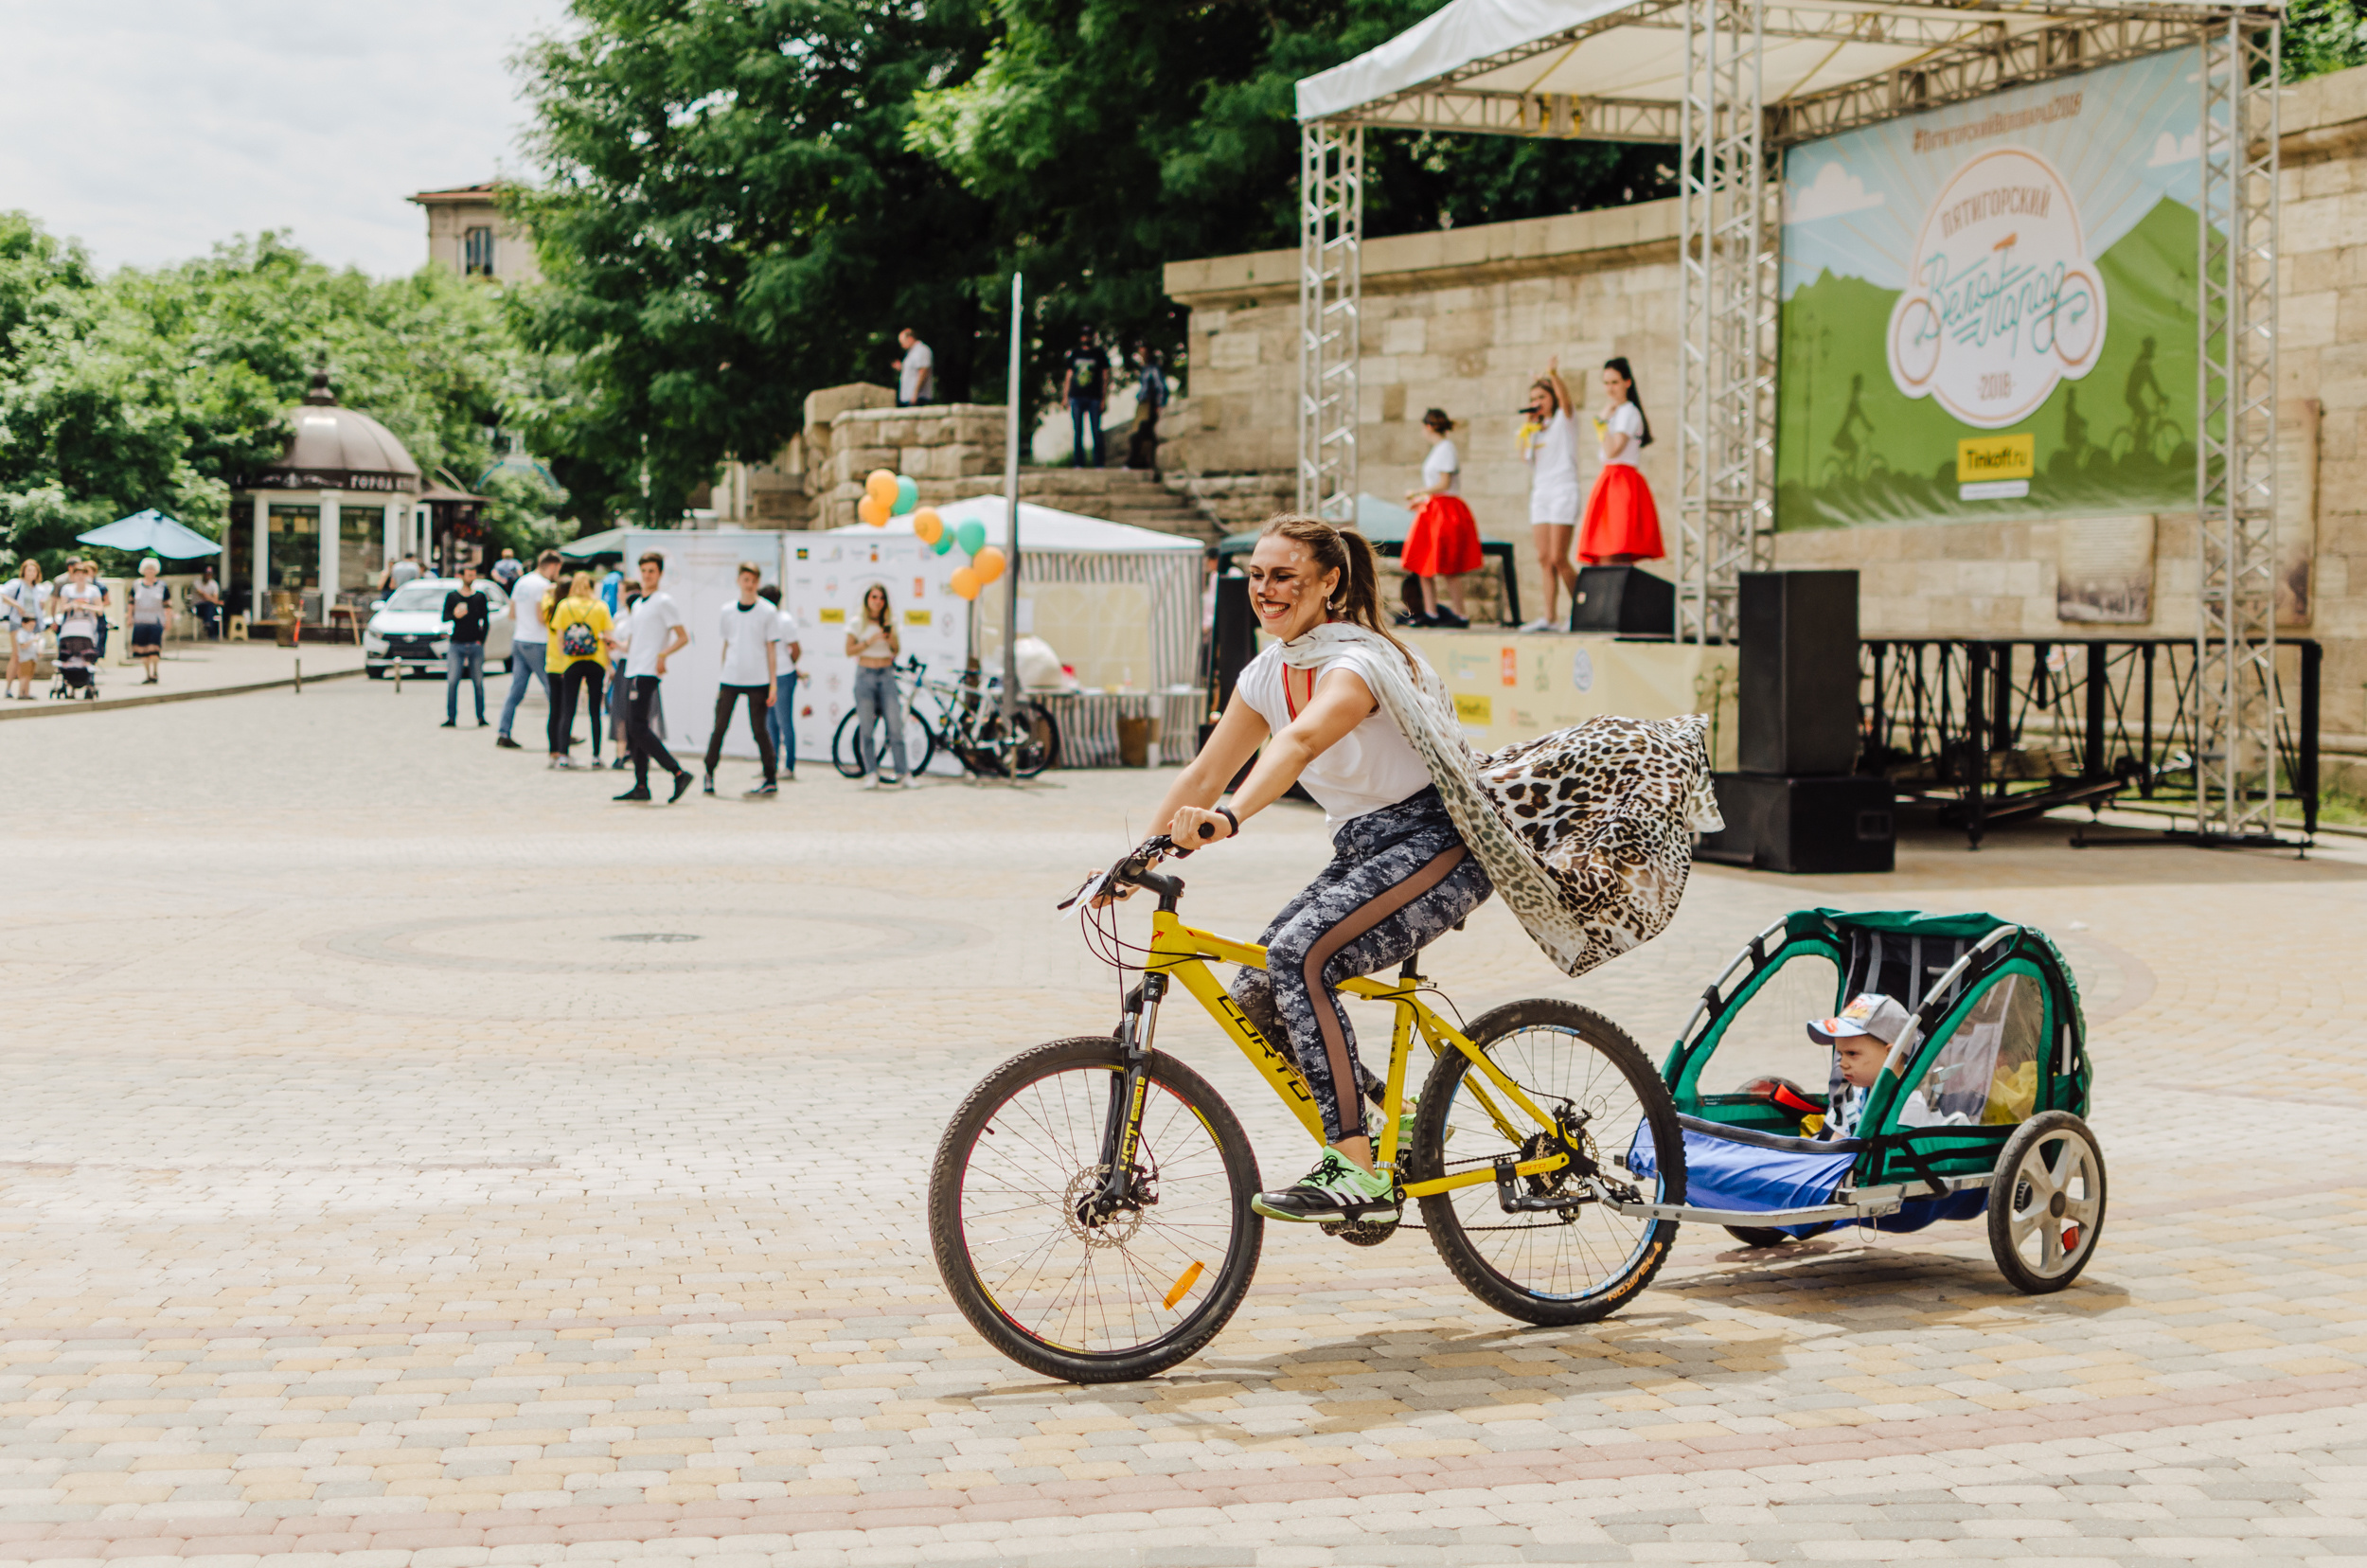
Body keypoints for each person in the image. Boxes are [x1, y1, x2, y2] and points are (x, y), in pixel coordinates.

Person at [1136, 515, 1495, 1225]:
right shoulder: (1267, 672)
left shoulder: (1360, 662)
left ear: (1330, 583)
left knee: (1300, 957)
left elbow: (1299, 742)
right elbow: (1208, 767)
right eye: (1257, 577)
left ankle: (1356, 1169)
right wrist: (1134, 858)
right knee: (1255, 992)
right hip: (1367, 847)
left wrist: (1230, 817)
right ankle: (1404, 1121)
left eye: (1284, 577)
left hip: (1440, 841)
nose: (1266, 591)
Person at [613, 551, 692, 803]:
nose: (647, 576)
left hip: (646, 672)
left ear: (659, 574)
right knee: (635, 727)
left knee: (637, 727)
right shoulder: (637, 604)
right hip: (632, 669)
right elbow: (635, 641)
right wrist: (615, 645)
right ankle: (641, 785)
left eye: (652, 572)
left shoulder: (663, 601)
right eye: (644, 571)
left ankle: (677, 772)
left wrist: (662, 655)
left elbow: (682, 636)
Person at [703, 561, 779, 797]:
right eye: (745, 580)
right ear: (738, 581)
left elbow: (771, 649)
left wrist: (773, 684)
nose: (749, 585)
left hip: (758, 679)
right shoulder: (727, 611)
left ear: (758, 582)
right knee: (720, 728)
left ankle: (770, 776)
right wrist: (721, 676)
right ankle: (709, 773)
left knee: (759, 731)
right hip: (731, 677)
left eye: (754, 580)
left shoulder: (767, 611)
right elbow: (726, 645)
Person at [1578, 357, 1664, 565]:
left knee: (1616, 548)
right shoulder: (1617, 412)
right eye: (1606, 383)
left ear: (1627, 382)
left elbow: (1612, 450)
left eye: (1615, 382)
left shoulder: (1628, 412)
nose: (1610, 388)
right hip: (1610, 480)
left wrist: (1601, 424)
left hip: (1621, 482)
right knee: (1606, 551)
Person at [1399, 408, 1478, 629]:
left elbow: (1443, 484)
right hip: (1434, 508)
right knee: (1424, 561)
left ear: (1428, 427)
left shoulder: (1445, 449)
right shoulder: (1439, 449)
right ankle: (1431, 611)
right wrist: (1423, 498)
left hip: (1444, 509)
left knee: (1448, 565)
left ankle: (1460, 613)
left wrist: (1419, 491)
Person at [1521, 358, 1582, 630]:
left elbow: (1567, 401)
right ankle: (1549, 617)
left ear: (1552, 398)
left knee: (1559, 557)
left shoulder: (1564, 421)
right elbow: (1526, 459)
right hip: (1541, 493)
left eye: (1541, 397)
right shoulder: (1535, 430)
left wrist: (1553, 375)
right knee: (1544, 558)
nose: (1537, 402)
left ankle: (1583, 609)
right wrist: (1528, 427)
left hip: (1563, 489)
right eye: (1533, 398)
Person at [544, 571, 613, 769]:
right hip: (596, 660)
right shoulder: (600, 607)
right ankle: (596, 755)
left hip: (571, 662)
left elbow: (559, 637)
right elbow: (607, 636)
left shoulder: (565, 606)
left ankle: (564, 754)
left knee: (568, 708)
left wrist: (564, 658)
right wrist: (608, 664)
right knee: (594, 711)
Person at [845, 582, 909, 788]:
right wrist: (869, 641)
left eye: (881, 598)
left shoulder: (890, 623)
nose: (877, 602)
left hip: (886, 674)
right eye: (874, 597)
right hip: (865, 674)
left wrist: (890, 638)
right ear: (867, 600)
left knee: (895, 726)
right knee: (866, 728)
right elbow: (849, 650)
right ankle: (871, 772)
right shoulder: (858, 623)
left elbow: (896, 650)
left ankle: (903, 772)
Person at [497, 550, 562, 749]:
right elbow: (542, 617)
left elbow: (512, 613)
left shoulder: (522, 582)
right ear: (552, 566)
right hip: (537, 641)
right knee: (554, 690)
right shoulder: (543, 586)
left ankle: (503, 731)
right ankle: (562, 732)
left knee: (516, 690)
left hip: (519, 639)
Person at [758, 584, 801, 783]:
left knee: (784, 722)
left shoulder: (784, 620)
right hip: (766, 677)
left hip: (783, 675)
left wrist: (789, 666)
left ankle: (789, 766)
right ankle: (771, 765)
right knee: (770, 724)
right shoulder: (762, 619)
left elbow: (795, 648)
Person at [440, 561, 491, 727]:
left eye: (473, 574)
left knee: (478, 682)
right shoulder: (453, 597)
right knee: (453, 681)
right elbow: (445, 617)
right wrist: (455, 615)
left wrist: (481, 640)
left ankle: (480, 717)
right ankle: (451, 717)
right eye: (469, 575)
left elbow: (486, 620)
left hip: (474, 644)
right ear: (461, 576)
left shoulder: (480, 597)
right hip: (457, 643)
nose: (472, 578)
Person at [1062, 329, 1107, 469]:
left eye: (1088, 335)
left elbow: (1105, 377)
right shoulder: (1075, 354)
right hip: (1077, 396)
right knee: (1078, 431)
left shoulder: (1099, 354)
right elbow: (1068, 377)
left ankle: (1099, 463)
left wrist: (1104, 398)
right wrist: (1065, 396)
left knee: (1096, 431)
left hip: (1094, 397)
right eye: (1083, 335)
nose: (1085, 338)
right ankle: (1078, 463)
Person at [3, 560, 44, 701]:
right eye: (29, 570)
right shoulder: (17, 584)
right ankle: (8, 688)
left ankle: (24, 690)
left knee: (29, 657)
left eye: (34, 571)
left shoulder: (37, 589)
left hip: (32, 625)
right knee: (17, 655)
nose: (31, 573)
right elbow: (2, 594)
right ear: (24, 571)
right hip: (18, 623)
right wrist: (18, 606)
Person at [1126, 347, 1168, 471]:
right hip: (1143, 402)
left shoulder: (1153, 369)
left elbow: (1160, 388)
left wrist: (1159, 405)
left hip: (1149, 404)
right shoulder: (1145, 369)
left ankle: (1139, 460)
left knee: (1141, 432)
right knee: (1138, 432)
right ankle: (1140, 460)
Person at [128, 559, 169, 684]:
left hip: (155, 621)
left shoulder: (162, 586)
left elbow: (167, 605)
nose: (150, 571)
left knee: (154, 648)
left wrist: (168, 620)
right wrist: (130, 617)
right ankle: (147, 674)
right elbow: (131, 603)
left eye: (152, 569)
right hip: (140, 621)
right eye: (147, 569)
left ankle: (155, 672)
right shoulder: (136, 585)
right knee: (142, 649)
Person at [894, 327, 934, 406]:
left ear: (910, 338)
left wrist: (915, 394)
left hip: (918, 397)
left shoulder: (922, 350)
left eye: (903, 342)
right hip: (908, 397)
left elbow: (923, 372)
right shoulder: (911, 353)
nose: (902, 346)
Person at [193, 564, 222, 639]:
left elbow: (215, 597)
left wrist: (214, 601)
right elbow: (203, 595)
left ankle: (208, 624)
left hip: (210, 607)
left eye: (210, 574)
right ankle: (211, 631)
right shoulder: (197, 583)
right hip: (199, 606)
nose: (208, 576)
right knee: (209, 607)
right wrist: (215, 601)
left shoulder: (214, 584)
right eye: (206, 574)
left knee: (209, 607)